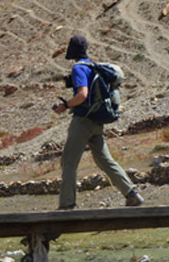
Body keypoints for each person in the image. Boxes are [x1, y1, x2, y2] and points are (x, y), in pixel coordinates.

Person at [52, 33, 143, 210]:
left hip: (83, 121)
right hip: (96, 122)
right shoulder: (93, 66)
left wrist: (65, 105)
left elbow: (82, 95)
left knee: (69, 162)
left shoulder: (79, 68)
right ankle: (132, 194)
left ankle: (67, 204)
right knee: (105, 160)